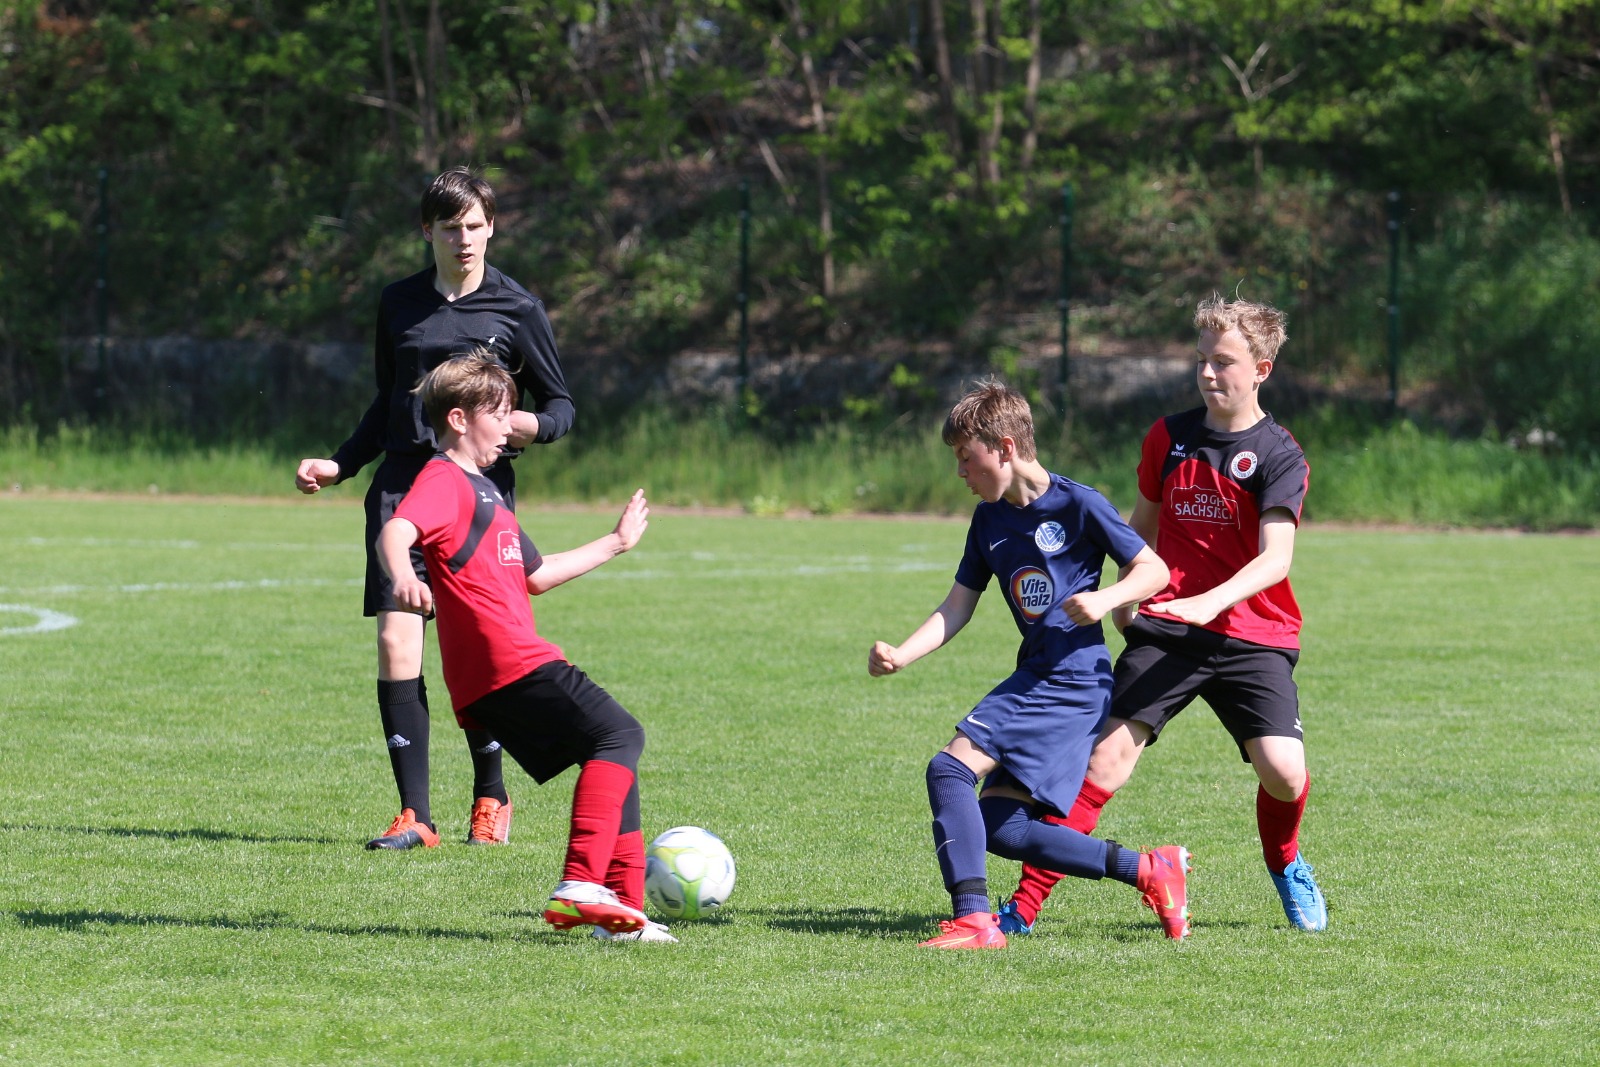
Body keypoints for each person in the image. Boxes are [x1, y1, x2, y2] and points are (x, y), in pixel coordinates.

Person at [997, 294, 1329, 936]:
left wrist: (1210, 601)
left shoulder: (1280, 455)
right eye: (1201, 359)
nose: (1207, 373)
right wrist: (1126, 597)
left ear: (1261, 369)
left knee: (1285, 773)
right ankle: (1023, 908)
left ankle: (1286, 861)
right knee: (1103, 764)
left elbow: (1276, 559)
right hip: (1170, 628)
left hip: (1252, 634)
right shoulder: (1169, 437)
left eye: (1223, 362)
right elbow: (1138, 529)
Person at [295, 168, 574, 850]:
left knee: (475, 648)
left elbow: (562, 407)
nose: (465, 238)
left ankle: (491, 794)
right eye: (451, 227)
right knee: (398, 641)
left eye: (476, 225)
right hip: (401, 486)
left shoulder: (518, 307)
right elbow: (387, 400)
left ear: (491, 227)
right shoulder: (398, 302)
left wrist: (528, 426)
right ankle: (415, 814)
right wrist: (341, 463)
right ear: (428, 231)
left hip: (477, 496)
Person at [868, 379, 1190, 949]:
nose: (960, 473)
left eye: (966, 458)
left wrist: (1105, 600)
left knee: (949, 769)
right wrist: (902, 653)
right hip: (1040, 673)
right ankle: (1148, 869)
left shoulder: (1078, 503)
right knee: (1001, 826)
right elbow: (957, 605)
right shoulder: (988, 520)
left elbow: (1153, 570)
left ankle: (973, 920)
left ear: (1006, 448)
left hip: (1073, 677)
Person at [377, 352, 674, 943]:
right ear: (459, 419)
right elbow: (396, 529)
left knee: (612, 754)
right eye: (500, 414)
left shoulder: (485, 491)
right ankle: (580, 882)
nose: (511, 426)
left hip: (496, 668)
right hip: (506, 659)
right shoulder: (444, 480)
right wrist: (404, 577)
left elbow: (535, 575)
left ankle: (623, 913)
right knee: (620, 735)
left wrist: (615, 543)